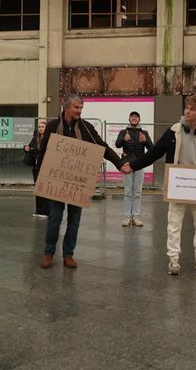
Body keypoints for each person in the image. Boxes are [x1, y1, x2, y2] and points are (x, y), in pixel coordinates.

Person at [121, 94, 196, 275]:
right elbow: (154, 153)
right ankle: (173, 260)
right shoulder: (174, 131)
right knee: (174, 223)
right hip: (178, 185)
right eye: (186, 107)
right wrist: (133, 165)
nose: (187, 111)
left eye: (192, 109)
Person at [37, 94, 123, 269]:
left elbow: (102, 146)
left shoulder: (86, 127)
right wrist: (41, 178)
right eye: (76, 108)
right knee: (55, 218)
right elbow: (43, 152)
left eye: (81, 108)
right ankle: (48, 252)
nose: (79, 111)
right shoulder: (53, 126)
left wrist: (119, 163)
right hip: (56, 181)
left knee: (74, 220)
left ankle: (69, 254)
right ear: (66, 107)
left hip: (78, 183)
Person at [115, 111, 153, 227]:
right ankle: (127, 217)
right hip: (127, 165)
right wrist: (123, 140)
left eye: (136, 117)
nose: (134, 118)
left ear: (139, 120)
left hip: (140, 164)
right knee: (127, 192)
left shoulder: (144, 133)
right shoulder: (123, 132)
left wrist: (145, 141)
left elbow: (152, 149)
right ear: (129, 119)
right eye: (132, 117)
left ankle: (135, 216)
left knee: (137, 192)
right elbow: (117, 144)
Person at [23, 121, 49, 218]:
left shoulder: (48, 139)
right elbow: (30, 147)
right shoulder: (35, 138)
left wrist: (33, 149)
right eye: (39, 127)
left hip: (45, 167)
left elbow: (44, 150)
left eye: (42, 126)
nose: (40, 128)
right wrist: (25, 148)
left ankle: (46, 211)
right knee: (38, 189)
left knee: (44, 189)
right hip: (36, 167)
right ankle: (39, 211)